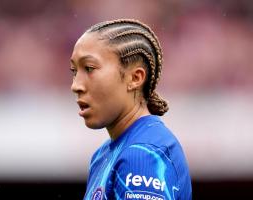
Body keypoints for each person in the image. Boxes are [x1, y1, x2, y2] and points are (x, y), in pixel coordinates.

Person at [70, 19, 192, 200]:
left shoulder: (143, 154)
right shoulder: (104, 155)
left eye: (89, 68)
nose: (76, 85)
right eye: (74, 71)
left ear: (135, 78)